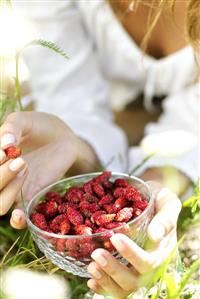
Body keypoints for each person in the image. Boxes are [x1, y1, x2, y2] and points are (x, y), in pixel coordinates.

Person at [0, 0, 199, 297]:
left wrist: (157, 182)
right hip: (114, 106)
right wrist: (75, 147)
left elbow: (193, 121)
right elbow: (70, 95)